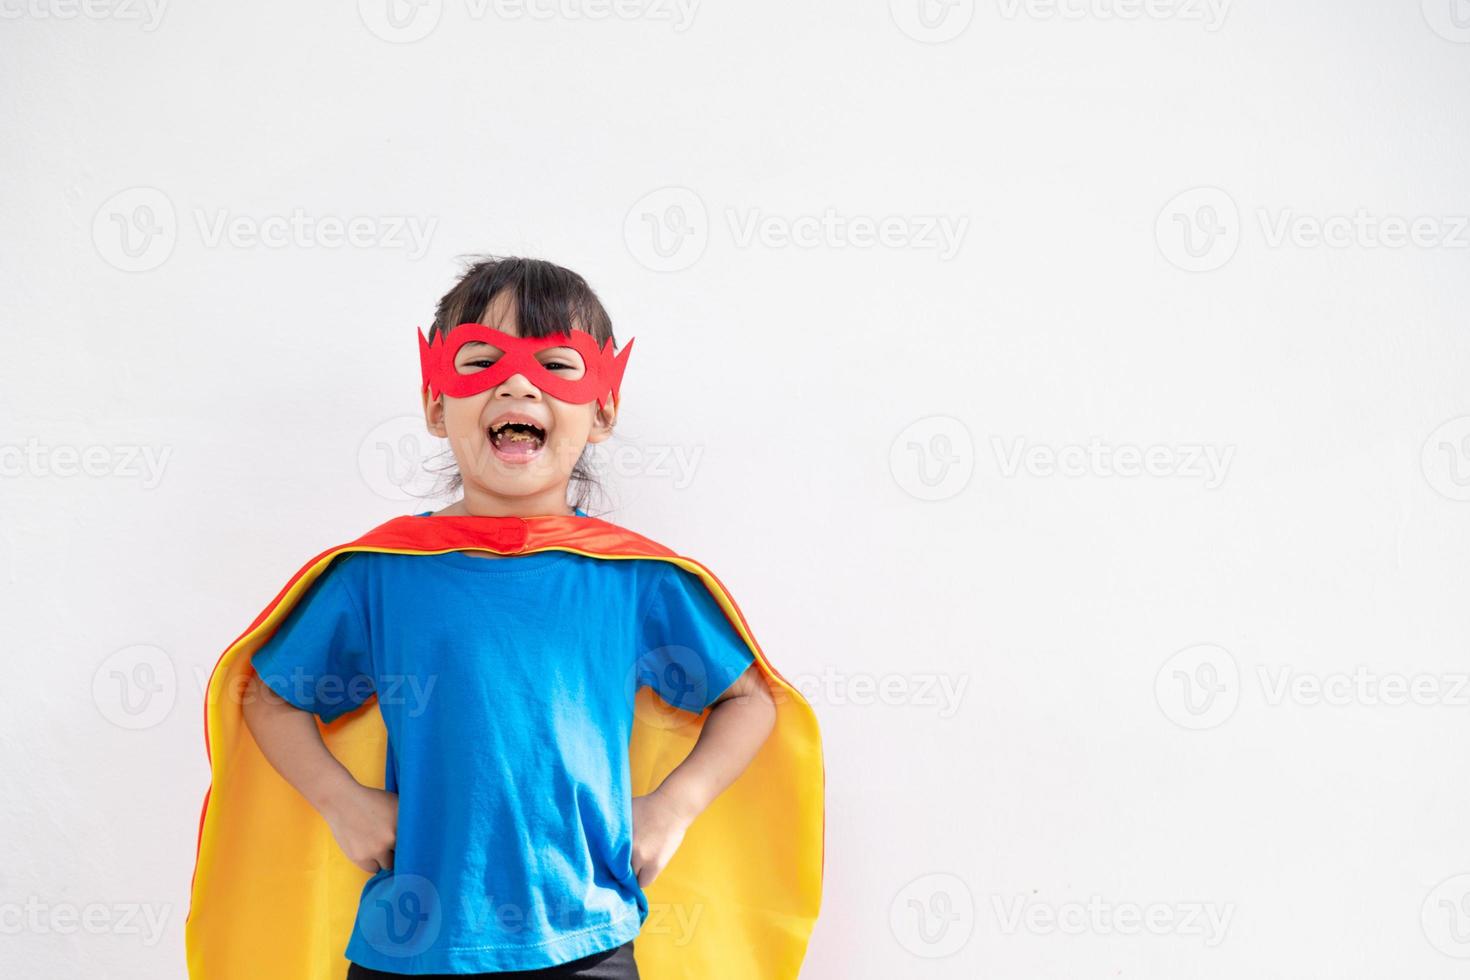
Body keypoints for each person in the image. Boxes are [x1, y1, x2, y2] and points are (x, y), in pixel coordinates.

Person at [185, 256, 824, 980]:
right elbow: (269, 695)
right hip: (410, 945)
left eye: (556, 364)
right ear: (435, 405)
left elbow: (747, 700)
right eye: (480, 361)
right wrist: (341, 802)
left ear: (604, 410)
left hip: (587, 939)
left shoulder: (636, 579)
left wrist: (674, 806)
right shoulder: (380, 574)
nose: (517, 383)